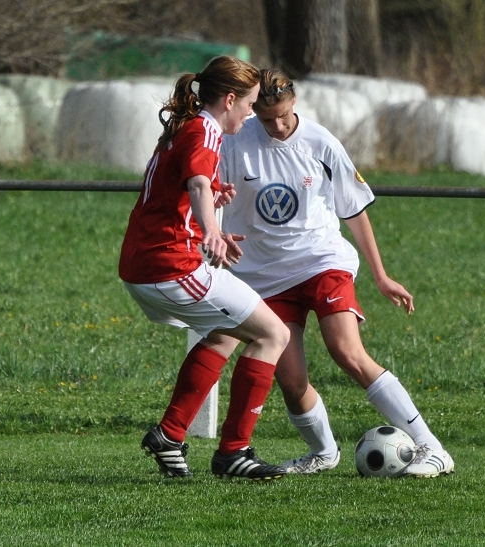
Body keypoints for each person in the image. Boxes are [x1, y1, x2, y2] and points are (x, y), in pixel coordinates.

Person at [219, 68, 454, 478]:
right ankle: (324, 453)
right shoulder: (235, 142)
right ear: (252, 108)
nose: (277, 125)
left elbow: (353, 210)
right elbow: (207, 194)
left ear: (296, 104)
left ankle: (431, 447)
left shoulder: (321, 142)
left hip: (322, 261)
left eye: (285, 115)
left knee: (347, 351)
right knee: (291, 380)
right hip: (266, 275)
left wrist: (381, 276)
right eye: (267, 118)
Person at [118, 56, 290, 480]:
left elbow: (178, 191)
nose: (250, 113)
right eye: (249, 104)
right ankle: (233, 452)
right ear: (229, 100)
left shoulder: (183, 126)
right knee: (273, 334)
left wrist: (208, 210)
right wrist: (211, 231)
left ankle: (170, 435)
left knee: (227, 333)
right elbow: (194, 181)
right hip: (168, 266)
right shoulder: (205, 130)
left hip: (145, 263)